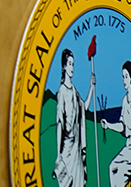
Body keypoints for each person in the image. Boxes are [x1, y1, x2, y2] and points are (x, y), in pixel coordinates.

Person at [53, 48, 95, 187]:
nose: (72, 67)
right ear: (64, 66)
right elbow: (60, 124)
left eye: (73, 64)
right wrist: (58, 155)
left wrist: (91, 88)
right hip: (67, 150)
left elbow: (85, 107)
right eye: (70, 64)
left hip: (76, 150)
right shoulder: (62, 92)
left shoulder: (75, 92)